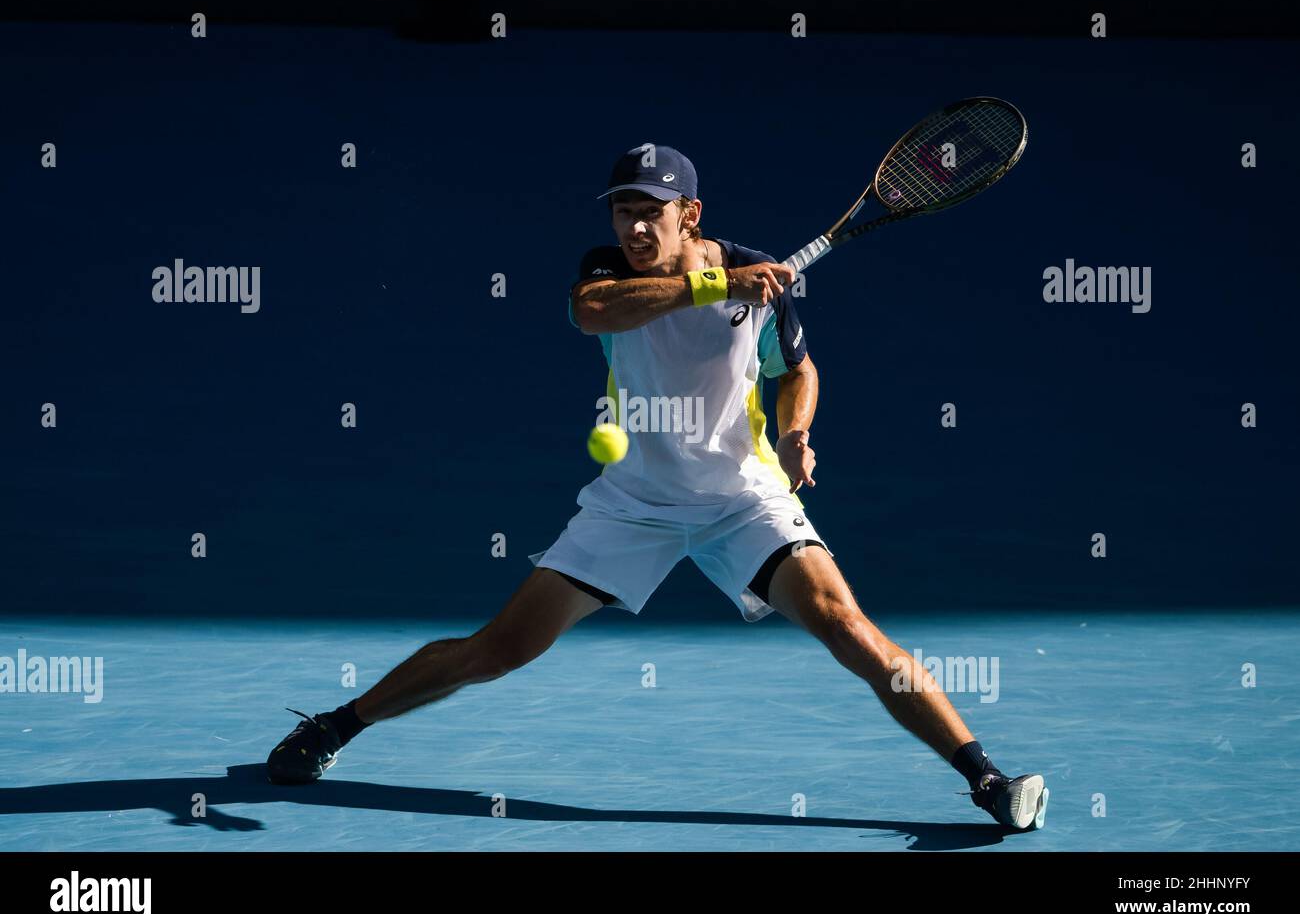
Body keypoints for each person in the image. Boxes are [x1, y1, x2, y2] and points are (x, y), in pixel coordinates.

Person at [266, 144, 1049, 831]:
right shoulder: (616, 275)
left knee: (846, 623)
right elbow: (591, 312)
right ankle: (338, 724)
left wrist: (797, 432)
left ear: (691, 213)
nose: (635, 230)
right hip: (632, 505)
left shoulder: (758, 284)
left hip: (743, 499)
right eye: (624, 213)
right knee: (499, 650)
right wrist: (718, 289)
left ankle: (986, 779)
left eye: (653, 213)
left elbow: (797, 371)